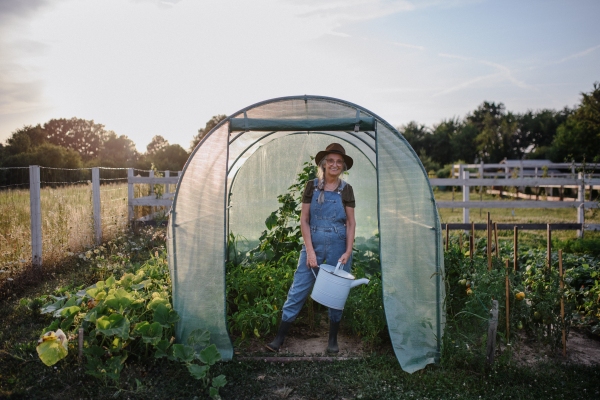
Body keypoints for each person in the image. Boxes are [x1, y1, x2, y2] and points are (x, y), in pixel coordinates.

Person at [266, 143, 356, 354]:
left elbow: (351, 223)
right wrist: (310, 251)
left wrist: (348, 251)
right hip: (312, 242)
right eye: (331, 161)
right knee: (299, 288)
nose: (334, 165)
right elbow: (304, 220)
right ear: (324, 164)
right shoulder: (311, 186)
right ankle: (279, 338)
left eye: (339, 161)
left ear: (342, 166)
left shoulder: (347, 189)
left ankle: (332, 340)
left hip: (338, 243)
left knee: (336, 291)